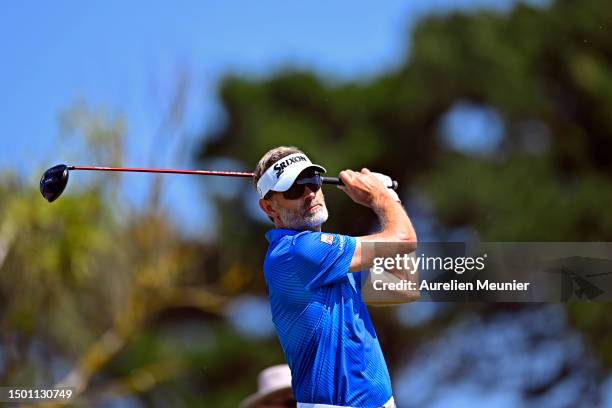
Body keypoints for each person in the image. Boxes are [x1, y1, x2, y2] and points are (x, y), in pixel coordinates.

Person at [254, 146, 418, 408]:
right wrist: (380, 198)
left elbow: (403, 287)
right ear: (268, 207)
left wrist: (386, 197)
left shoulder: (331, 258)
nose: (309, 193)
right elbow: (405, 239)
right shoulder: (297, 251)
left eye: (312, 181)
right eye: (294, 189)